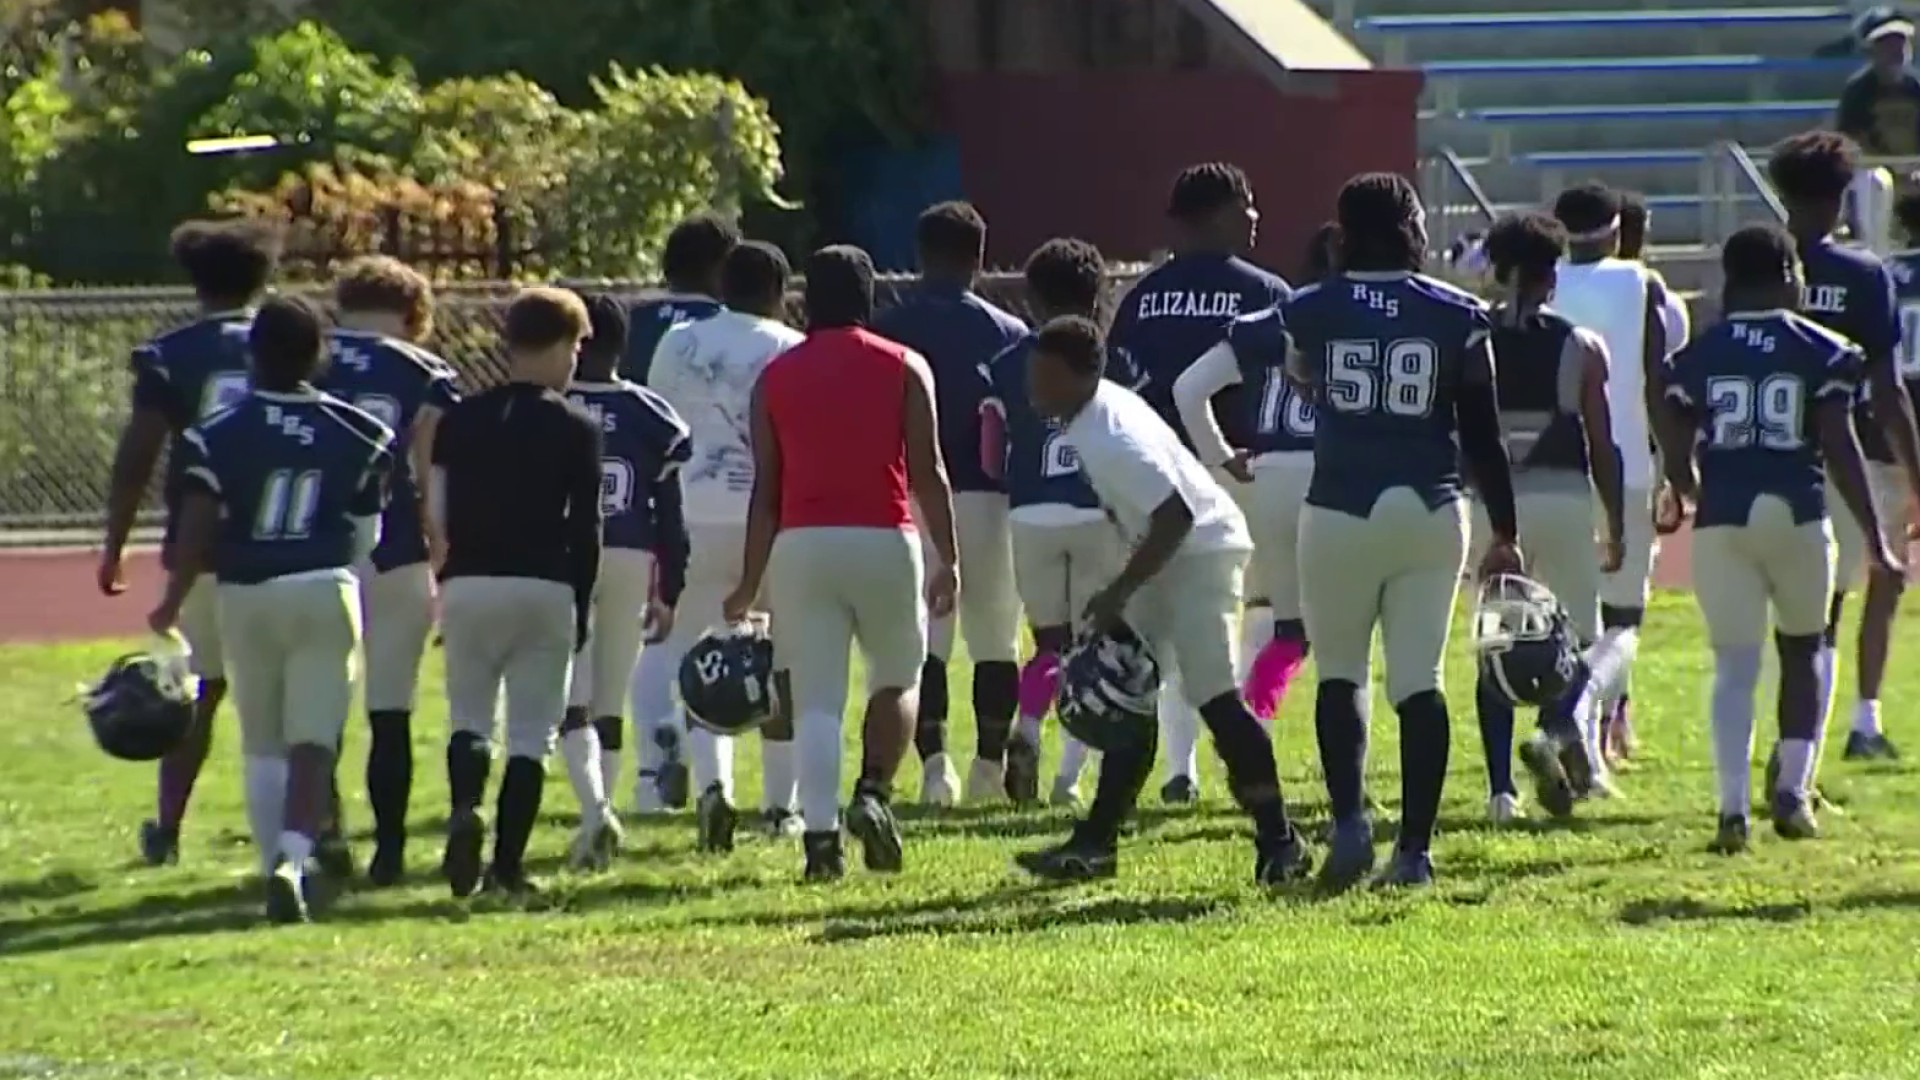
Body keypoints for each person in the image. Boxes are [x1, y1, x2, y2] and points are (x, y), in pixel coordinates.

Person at [1287, 172, 1523, 889]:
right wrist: (1504, 529)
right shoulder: (1456, 312)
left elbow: (1305, 384)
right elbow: (1483, 432)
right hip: (1428, 506)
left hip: (1338, 506)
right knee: (1419, 680)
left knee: (1339, 673)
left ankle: (1351, 821)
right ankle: (1414, 850)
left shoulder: (1309, 307)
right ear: (1411, 229)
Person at [1012, 316, 1309, 885]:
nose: (1033, 387)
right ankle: (1096, 843)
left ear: (1080, 376)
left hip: (1200, 554)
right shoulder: (1092, 411)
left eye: (1044, 376)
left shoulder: (1106, 433)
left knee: (1216, 700)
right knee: (1130, 688)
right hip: (1171, 553)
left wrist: (1120, 589)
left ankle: (1281, 841)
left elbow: (1176, 516)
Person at [148, 295, 394, 923]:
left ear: (253, 354)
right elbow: (368, 535)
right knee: (314, 738)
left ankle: (269, 867)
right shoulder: (361, 431)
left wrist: (172, 601)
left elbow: (197, 525)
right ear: (319, 355)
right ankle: (294, 854)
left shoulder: (218, 432)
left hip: (247, 590)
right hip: (323, 585)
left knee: (262, 742)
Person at [1653, 223, 1897, 852]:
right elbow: (1840, 446)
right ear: (1792, 277)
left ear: (1730, 283)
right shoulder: (1823, 347)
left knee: (1735, 665)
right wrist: (1876, 536)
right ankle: (1792, 787)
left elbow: (1672, 416)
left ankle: (1732, 808)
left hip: (1724, 518)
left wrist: (1682, 480)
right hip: (1797, 512)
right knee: (1803, 650)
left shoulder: (1702, 353)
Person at [723, 245, 959, 882]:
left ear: (805, 301)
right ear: (871, 297)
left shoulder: (775, 377)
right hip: (885, 536)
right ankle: (874, 792)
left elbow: (765, 488)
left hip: (803, 543)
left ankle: (820, 842)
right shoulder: (905, 366)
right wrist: (949, 558)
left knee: (817, 698)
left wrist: (748, 581)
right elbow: (929, 472)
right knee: (897, 679)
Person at [98, 218, 281, 868]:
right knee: (291, 689)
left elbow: (139, 453)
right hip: (286, 540)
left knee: (198, 690)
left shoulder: (173, 354)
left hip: (201, 544)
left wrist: (115, 541)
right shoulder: (290, 340)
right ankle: (319, 823)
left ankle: (169, 826)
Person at [1106, 162, 1290, 801]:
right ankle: (1220, 749)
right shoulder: (1266, 291)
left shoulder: (1139, 299)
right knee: (1228, 620)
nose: (1256, 218)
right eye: (1247, 206)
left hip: (1148, 484)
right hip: (1232, 473)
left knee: (1157, 627)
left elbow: (1116, 390)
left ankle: (1172, 767)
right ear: (1216, 214)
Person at [429, 287, 603, 900]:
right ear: (560, 345)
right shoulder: (575, 426)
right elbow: (586, 526)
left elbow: (439, 508)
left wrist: (447, 573)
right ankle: (506, 866)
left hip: (471, 580)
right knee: (532, 734)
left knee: (469, 717)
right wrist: (582, 602)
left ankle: (466, 804)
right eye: (577, 346)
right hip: (544, 583)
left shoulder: (460, 420)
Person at [1768, 130, 1920, 791]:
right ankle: (1820, 748)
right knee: (1845, 602)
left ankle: (1785, 752)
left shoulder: (1757, 266)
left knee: (1790, 622)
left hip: (1767, 454)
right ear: (1840, 200)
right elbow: (1886, 392)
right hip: (1850, 454)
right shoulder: (1863, 275)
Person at [647, 241, 805, 847]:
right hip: (767, 515)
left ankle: (714, 787)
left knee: (699, 657)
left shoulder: (676, 343)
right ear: (779, 292)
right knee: (780, 659)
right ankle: (781, 806)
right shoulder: (789, 348)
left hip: (692, 512)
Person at [872, 202, 1027, 807]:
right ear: (980, 258)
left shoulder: (887, 329)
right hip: (988, 495)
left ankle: (936, 766)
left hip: (908, 494)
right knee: (995, 637)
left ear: (919, 254)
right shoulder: (1008, 333)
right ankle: (989, 767)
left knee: (927, 637)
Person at [1474, 211, 1627, 823]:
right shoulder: (1581, 346)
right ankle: (1558, 734)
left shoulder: (1469, 336)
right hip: (1562, 496)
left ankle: (1500, 791)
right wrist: (1615, 520)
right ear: (1551, 277)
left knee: (1496, 645)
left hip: (1490, 503)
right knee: (1580, 644)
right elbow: (1601, 441)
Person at [316, 255, 461, 886]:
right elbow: (433, 476)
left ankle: (323, 834)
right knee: (390, 707)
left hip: (313, 550)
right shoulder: (422, 370)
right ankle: (391, 850)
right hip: (394, 544)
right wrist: (441, 546)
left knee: (316, 705)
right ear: (412, 314)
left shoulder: (306, 355)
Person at [979, 238, 1120, 807]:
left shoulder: (1009, 363)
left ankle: (1029, 729)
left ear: (1032, 300)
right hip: (1094, 509)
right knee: (1095, 649)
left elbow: (991, 447)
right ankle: (1067, 780)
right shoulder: (1113, 357)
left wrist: (1013, 487)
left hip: (1031, 511)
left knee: (1048, 646)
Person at [1549, 182, 1671, 792]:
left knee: (1573, 614)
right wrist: (1676, 466)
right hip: (1624, 459)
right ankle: (1595, 734)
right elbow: (1655, 378)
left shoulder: (1547, 281)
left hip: (1558, 465)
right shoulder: (1639, 282)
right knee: (1624, 615)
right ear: (1618, 228)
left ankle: (1581, 731)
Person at [561, 295, 690, 868]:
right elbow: (670, 511)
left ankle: (595, 812)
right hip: (631, 553)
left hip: (561, 554)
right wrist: (671, 585)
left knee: (570, 699)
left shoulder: (552, 403)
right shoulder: (649, 412)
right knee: (610, 694)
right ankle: (604, 804)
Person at [623, 211, 740, 808]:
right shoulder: (733, 325)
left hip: (647, 498)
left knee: (655, 639)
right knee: (723, 639)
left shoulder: (636, 324)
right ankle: (712, 768)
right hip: (731, 496)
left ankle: (651, 771)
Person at [1171, 294, 1315, 732]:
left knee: (1288, 627)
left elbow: (1188, 389)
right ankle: (1339, 770)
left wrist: (1220, 457)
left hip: (1270, 480)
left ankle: (1249, 737)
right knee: (1344, 639)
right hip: (1337, 478)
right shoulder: (1366, 314)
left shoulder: (1264, 325)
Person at [1837, 12, 1920, 158]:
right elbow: (1851, 141)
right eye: (1888, 42)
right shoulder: (1857, 92)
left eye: (1902, 40)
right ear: (1870, 49)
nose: (1898, 48)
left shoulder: (1916, 86)